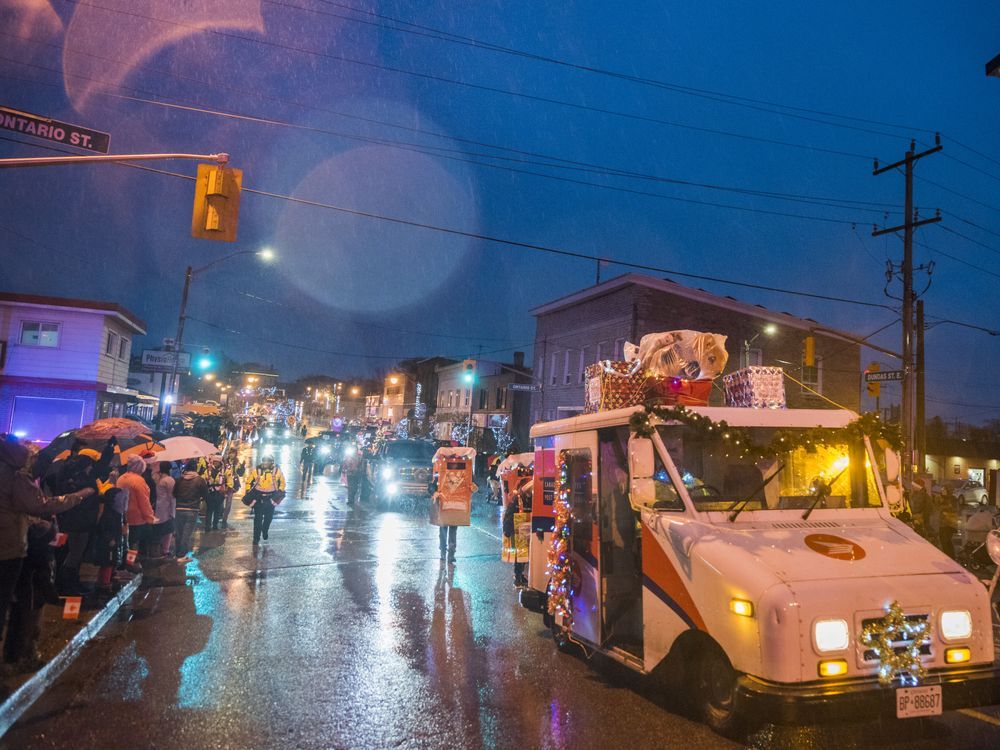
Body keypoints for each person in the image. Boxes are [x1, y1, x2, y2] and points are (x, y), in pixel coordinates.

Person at [0, 437, 90, 672]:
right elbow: (38, 505)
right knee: (22, 601)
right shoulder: (15, 475)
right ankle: (17, 656)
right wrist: (80, 496)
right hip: (9, 548)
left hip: (13, 544)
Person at [118, 455, 157, 558]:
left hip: (123, 517)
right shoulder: (138, 480)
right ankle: (133, 564)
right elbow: (144, 502)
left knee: (126, 544)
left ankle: (125, 564)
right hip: (137, 519)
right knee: (135, 544)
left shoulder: (121, 478)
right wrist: (150, 518)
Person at [173, 459, 208, 563]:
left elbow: (174, 493)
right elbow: (205, 495)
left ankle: (177, 554)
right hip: (192, 510)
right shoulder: (200, 480)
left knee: (179, 533)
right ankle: (181, 555)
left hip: (179, 509)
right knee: (186, 534)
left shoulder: (179, 479)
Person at [246, 456, 285, 544]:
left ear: (272, 462)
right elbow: (249, 481)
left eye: (268, 461)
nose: (265, 463)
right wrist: (248, 490)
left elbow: (282, 482)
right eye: (264, 461)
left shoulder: (277, 471)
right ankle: (256, 538)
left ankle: (265, 529)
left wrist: (280, 490)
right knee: (257, 519)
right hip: (259, 498)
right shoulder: (256, 470)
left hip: (271, 498)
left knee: (268, 518)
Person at [502, 481, 532, 587]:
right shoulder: (517, 499)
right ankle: (518, 577)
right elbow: (509, 514)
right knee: (520, 556)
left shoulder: (529, 498)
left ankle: (520, 576)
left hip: (525, 531)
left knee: (524, 556)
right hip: (517, 531)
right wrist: (507, 530)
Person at [150, 462, 176, 558]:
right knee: (168, 530)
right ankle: (165, 550)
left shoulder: (159, 479)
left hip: (159, 508)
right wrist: (173, 512)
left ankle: (157, 550)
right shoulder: (169, 480)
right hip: (167, 508)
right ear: (169, 469)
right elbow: (172, 497)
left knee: (159, 529)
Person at [204, 456, 231, 531]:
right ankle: (207, 526)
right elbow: (204, 479)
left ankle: (215, 525)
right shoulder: (208, 470)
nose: (216, 463)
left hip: (220, 493)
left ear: (220, 462)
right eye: (214, 461)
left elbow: (230, 481)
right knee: (209, 510)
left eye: (217, 461)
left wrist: (227, 491)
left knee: (217, 510)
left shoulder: (225, 470)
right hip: (210, 493)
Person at [938, 487, 959, 559]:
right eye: (942, 490)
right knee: (944, 542)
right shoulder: (941, 498)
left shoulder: (953, 499)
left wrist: (945, 509)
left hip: (949, 524)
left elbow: (954, 509)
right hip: (942, 524)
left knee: (947, 542)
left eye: (944, 490)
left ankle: (950, 557)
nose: (942, 491)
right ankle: (948, 556)